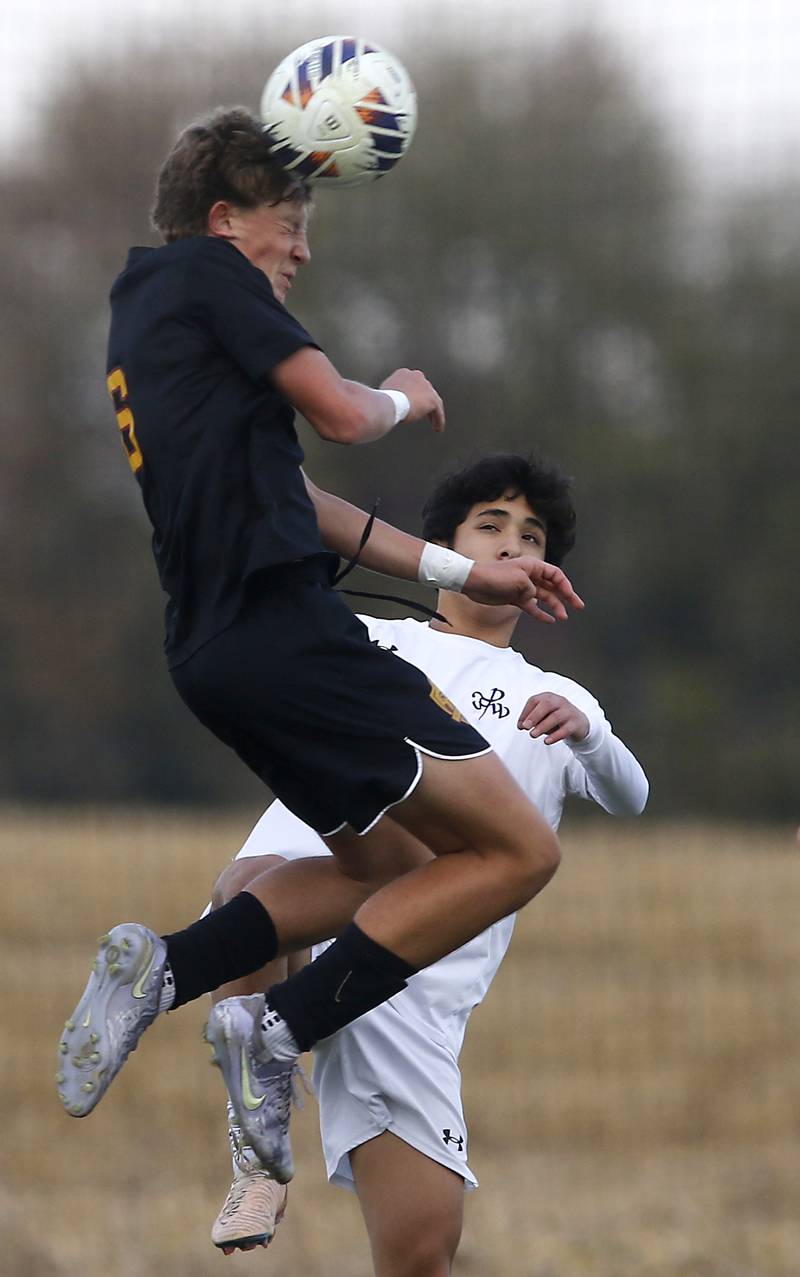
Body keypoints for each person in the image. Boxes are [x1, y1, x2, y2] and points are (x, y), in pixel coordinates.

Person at [57, 108, 584, 1182]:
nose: (300, 249)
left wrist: (458, 571)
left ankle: (163, 968)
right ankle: (276, 1026)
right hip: (290, 635)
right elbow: (341, 417)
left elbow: (295, 495)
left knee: (382, 867)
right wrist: (401, 393)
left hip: (213, 650)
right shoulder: (211, 280)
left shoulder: (148, 316)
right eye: (287, 223)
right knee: (518, 851)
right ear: (222, 219)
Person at [204, 452, 649, 1269]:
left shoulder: (551, 693)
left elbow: (632, 795)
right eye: (493, 526)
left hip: (410, 988)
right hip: (319, 893)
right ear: (444, 547)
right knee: (247, 888)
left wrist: (590, 732)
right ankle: (257, 1153)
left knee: (422, 1251)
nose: (515, 543)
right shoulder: (368, 639)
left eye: (533, 534)